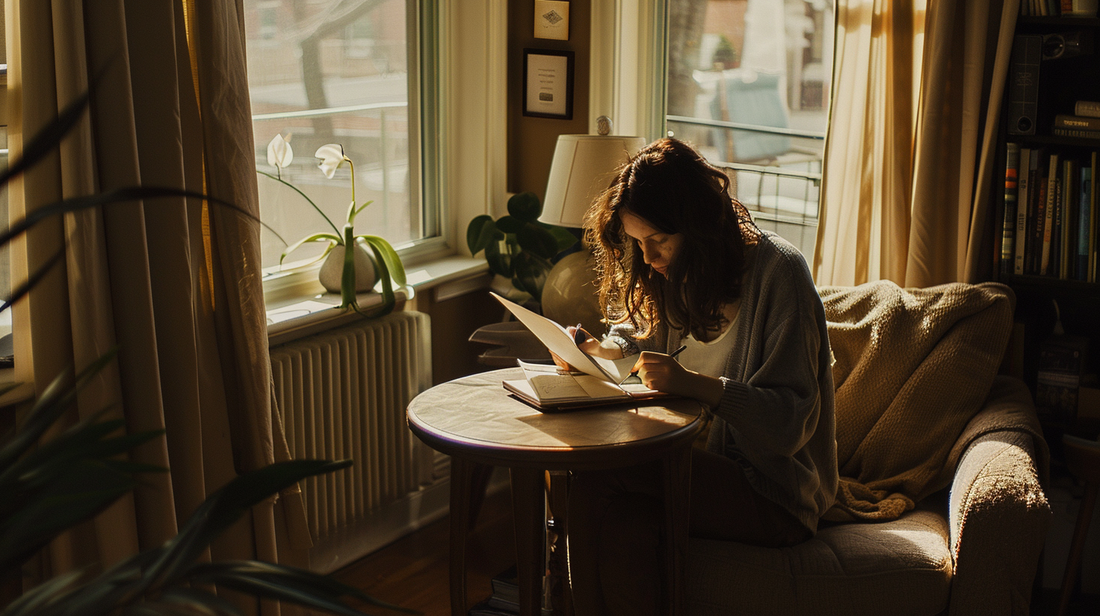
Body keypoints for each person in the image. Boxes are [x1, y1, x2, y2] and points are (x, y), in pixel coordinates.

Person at [561, 138, 837, 615]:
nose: (647, 258)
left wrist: (696, 385)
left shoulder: (780, 274)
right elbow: (645, 332)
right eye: (637, 243)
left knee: (594, 477)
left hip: (772, 491)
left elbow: (790, 425)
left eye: (658, 241)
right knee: (624, 524)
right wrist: (607, 348)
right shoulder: (679, 274)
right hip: (691, 462)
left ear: (697, 226)